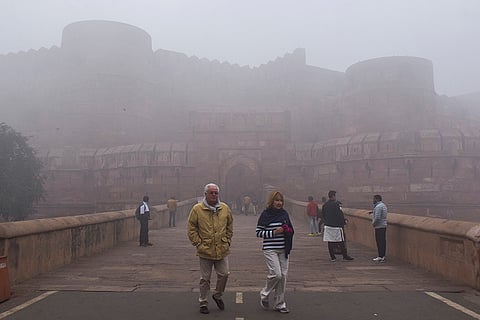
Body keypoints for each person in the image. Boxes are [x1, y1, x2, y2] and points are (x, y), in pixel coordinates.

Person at [187, 183, 233, 314]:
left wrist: (228, 240)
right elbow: (191, 227)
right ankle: (203, 302)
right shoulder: (197, 209)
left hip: (222, 248)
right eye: (211, 193)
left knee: (224, 274)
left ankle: (217, 295)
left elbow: (230, 224)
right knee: (205, 278)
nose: (214, 195)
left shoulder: (225, 208)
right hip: (205, 249)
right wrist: (198, 244)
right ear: (205, 194)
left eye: (216, 193)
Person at [256, 191, 294, 314]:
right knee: (276, 274)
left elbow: (291, 229)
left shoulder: (284, 214)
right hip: (270, 248)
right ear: (271, 201)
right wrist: (274, 232)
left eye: (281, 200)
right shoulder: (265, 215)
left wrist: (287, 230)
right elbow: (259, 232)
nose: (279, 203)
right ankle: (264, 293)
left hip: (284, 249)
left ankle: (280, 303)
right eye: (276, 200)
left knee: (283, 277)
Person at [322, 190, 353, 261]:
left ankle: (332, 257)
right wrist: (343, 222)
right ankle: (345, 256)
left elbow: (323, 215)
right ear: (333, 196)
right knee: (341, 241)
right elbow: (340, 215)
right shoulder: (336, 205)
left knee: (330, 241)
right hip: (337, 226)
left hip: (328, 226)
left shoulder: (325, 205)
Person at [371, 194, 387, 262]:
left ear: (377, 199)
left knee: (380, 241)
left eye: (374, 199)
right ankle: (382, 255)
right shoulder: (383, 205)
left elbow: (377, 217)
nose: (373, 200)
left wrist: (373, 223)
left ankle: (380, 256)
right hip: (383, 225)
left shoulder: (378, 207)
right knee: (382, 241)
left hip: (379, 226)